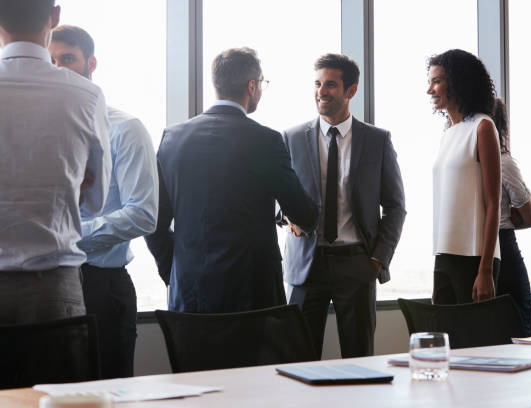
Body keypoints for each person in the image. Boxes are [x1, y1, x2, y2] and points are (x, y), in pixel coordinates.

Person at [146, 47, 318, 313]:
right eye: (262, 83)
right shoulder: (266, 140)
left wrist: (175, 271)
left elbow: (154, 222)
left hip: (189, 295)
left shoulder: (173, 138)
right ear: (252, 85)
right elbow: (304, 214)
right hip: (252, 296)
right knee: (254, 357)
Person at [49, 25, 158, 378]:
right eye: (51, 61)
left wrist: (68, 238)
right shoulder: (41, 129)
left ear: (91, 63)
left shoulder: (126, 129)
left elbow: (143, 213)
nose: (58, 69)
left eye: (68, 59)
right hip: (47, 283)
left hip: (100, 286)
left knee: (108, 393)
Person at [283, 53, 405, 359]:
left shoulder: (377, 140)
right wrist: (284, 216)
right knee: (298, 358)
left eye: (331, 85)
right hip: (305, 266)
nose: (321, 91)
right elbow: (275, 196)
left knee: (359, 359)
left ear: (351, 90)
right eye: (317, 84)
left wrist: (378, 260)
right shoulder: (292, 138)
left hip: (356, 265)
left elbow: (395, 206)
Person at [0, 0, 111, 324]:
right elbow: (96, 201)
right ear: (55, 15)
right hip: (53, 288)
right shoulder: (87, 96)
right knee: (58, 374)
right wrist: (70, 187)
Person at [428, 49, 501, 304]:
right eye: (430, 82)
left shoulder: (482, 127)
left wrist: (486, 269)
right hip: (444, 253)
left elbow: (493, 203)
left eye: (436, 81)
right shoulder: (448, 134)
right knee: (446, 338)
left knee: (474, 340)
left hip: (474, 257)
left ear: (458, 82)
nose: (430, 90)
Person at [492, 98, 531, 336]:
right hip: (493, 243)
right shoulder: (497, 161)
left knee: (515, 331)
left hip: (502, 244)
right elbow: (527, 217)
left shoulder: (503, 162)